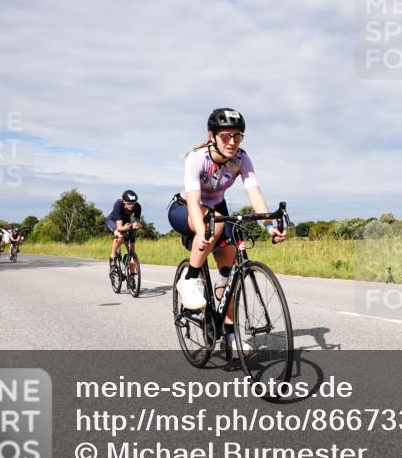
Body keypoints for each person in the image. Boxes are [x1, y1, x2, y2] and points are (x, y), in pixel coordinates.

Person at [167, 108, 286, 355]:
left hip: (217, 211)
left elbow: (254, 193)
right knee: (216, 219)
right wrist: (202, 231)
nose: (232, 141)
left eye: (238, 136)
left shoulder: (242, 159)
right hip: (184, 209)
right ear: (212, 136)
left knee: (231, 273)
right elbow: (192, 199)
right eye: (226, 136)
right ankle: (189, 279)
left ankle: (230, 334)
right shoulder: (197, 158)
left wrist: (270, 227)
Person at [107, 190, 142, 271]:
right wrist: (125, 228)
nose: (131, 205)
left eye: (133, 203)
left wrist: (137, 225)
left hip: (125, 222)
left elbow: (137, 221)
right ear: (124, 201)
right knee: (120, 235)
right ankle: (113, 256)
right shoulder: (118, 204)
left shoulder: (137, 206)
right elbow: (119, 227)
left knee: (132, 248)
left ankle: (132, 279)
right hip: (113, 221)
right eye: (129, 203)